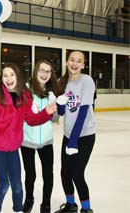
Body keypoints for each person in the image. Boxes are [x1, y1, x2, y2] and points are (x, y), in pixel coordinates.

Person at [0, 63, 57, 213]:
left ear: (18, 76)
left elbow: (32, 119)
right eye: (5, 75)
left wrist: (46, 112)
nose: (8, 78)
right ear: (2, 79)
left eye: (12, 74)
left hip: (13, 147)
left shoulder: (25, 96)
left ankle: (18, 210)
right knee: (4, 184)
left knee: (17, 185)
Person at [54, 50, 96, 213]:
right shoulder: (61, 82)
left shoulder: (87, 81)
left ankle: (86, 209)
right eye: (72, 60)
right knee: (65, 173)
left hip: (84, 135)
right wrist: (59, 104)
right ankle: (71, 205)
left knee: (77, 173)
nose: (75, 63)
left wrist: (74, 140)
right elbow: (63, 112)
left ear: (83, 65)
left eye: (79, 61)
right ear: (66, 62)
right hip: (68, 134)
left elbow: (84, 111)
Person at [21, 60, 61, 213]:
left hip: (46, 140)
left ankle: (46, 203)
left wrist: (53, 108)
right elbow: (24, 116)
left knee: (48, 174)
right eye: (42, 70)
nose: (45, 74)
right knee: (30, 174)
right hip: (27, 140)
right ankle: (29, 198)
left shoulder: (52, 91)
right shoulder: (25, 89)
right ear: (35, 71)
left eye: (48, 71)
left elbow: (56, 119)